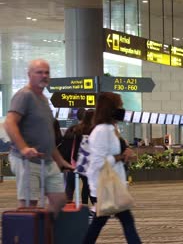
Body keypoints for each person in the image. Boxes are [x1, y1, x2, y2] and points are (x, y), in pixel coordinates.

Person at [4, 59, 73, 215]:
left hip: (47, 161)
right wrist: (23, 148)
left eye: (46, 72)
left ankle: (43, 231)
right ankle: (28, 235)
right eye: (39, 72)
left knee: (59, 200)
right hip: (27, 161)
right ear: (29, 75)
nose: (44, 76)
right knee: (29, 206)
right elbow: (9, 123)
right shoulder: (24, 95)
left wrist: (60, 160)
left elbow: (47, 136)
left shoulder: (44, 100)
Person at [83, 92, 141, 243]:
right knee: (126, 220)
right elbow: (97, 161)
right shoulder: (102, 130)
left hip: (110, 185)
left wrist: (124, 152)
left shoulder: (110, 129)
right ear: (110, 109)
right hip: (105, 186)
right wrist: (119, 157)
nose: (121, 109)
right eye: (119, 106)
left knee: (99, 222)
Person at [61, 109, 94, 204]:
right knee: (87, 186)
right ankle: (86, 207)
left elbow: (66, 146)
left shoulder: (72, 129)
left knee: (70, 187)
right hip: (86, 163)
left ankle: (67, 209)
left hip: (73, 163)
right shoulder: (93, 130)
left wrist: (65, 164)